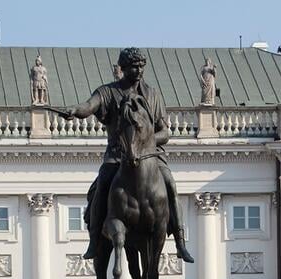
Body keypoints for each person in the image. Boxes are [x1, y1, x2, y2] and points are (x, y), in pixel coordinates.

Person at [53, 47, 194, 264]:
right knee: (102, 186)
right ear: (123, 68)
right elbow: (89, 106)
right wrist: (75, 110)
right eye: (133, 67)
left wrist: (145, 143)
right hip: (117, 156)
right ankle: (94, 239)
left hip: (150, 157)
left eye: (140, 67)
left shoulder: (152, 95)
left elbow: (165, 132)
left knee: (170, 185)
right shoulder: (108, 92)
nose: (138, 71)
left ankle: (180, 242)